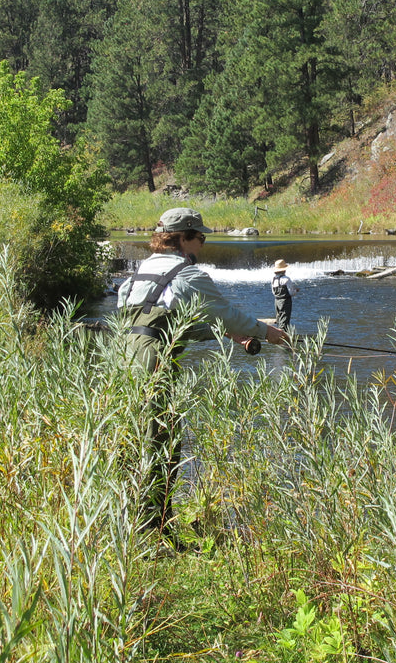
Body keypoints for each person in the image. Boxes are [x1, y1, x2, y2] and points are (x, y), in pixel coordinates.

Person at [117, 207, 287, 538]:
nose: (203, 245)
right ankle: (152, 538)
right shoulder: (189, 275)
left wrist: (227, 335)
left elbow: (158, 326)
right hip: (154, 366)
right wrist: (268, 333)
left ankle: (131, 526)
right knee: (160, 443)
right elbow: (226, 313)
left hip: (121, 364)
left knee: (131, 442)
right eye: (200, 237)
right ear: (181, 238)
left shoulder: (139, 274)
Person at [270, 259, 299, 331]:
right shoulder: (286, 279)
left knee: (279, 319)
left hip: (276, 301)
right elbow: (292, 293)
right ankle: (283, 337)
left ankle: (278, 334)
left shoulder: (273, 279)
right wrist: (296, 290)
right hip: (285, 302)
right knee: (285, 320)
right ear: (284, 270)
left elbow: (273, 292)